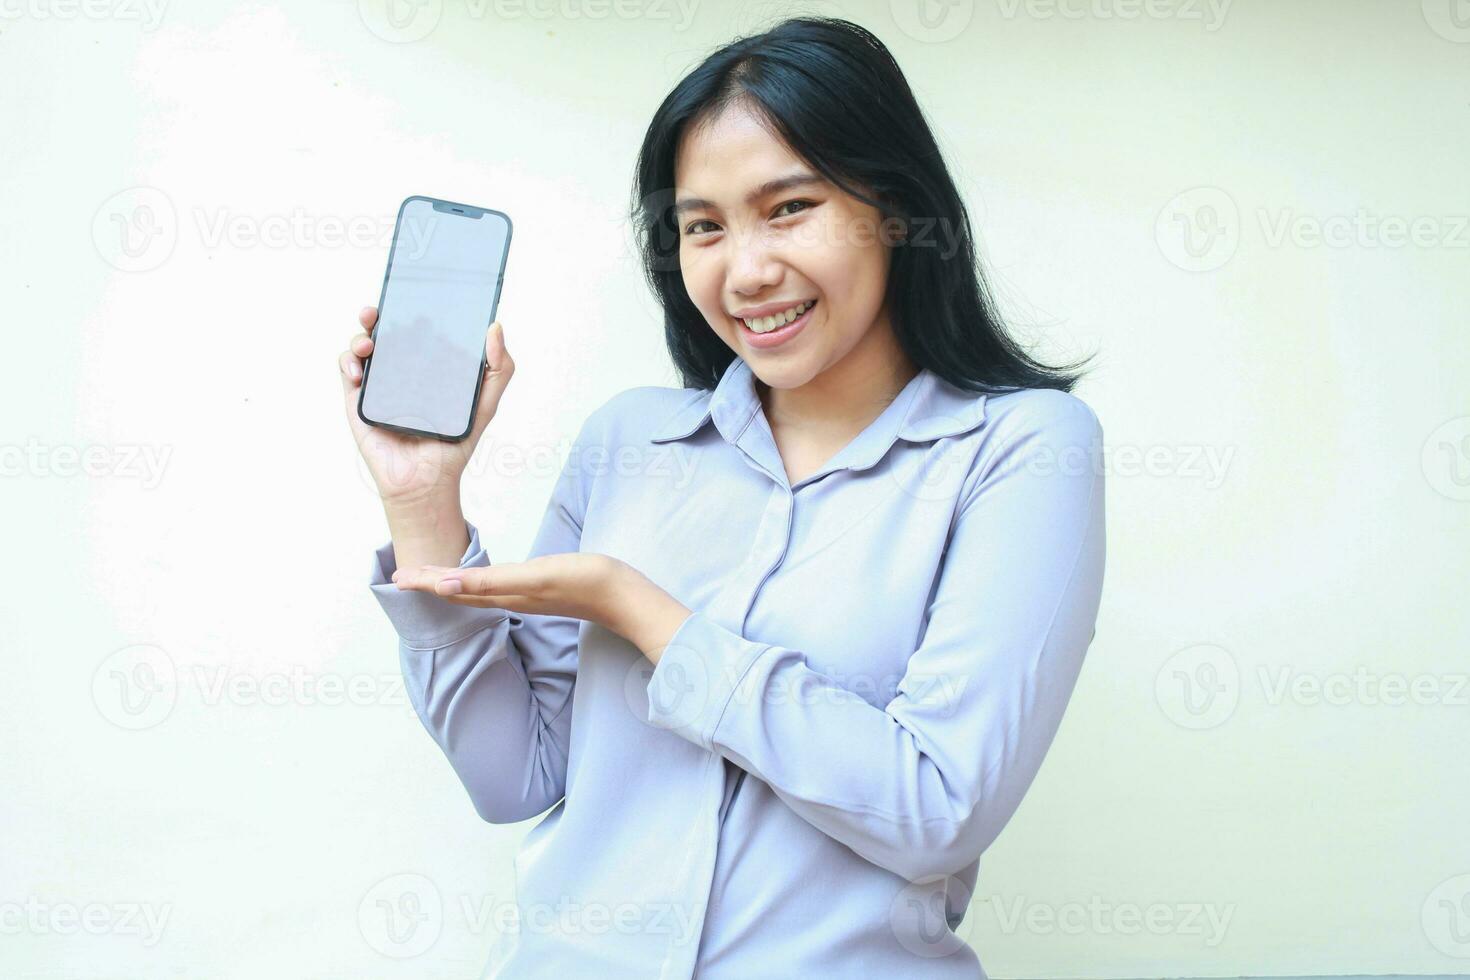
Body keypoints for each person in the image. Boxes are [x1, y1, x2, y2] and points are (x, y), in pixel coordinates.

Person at [339, 16, 1105, 979]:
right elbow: (514, 774)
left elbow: (936, 809)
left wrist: (646, 614)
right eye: (703, 226)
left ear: (897, 211)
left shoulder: (1023, 451)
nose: (744, 271)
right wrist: (421, 501)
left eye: (788, 208)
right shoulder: (629, 440)